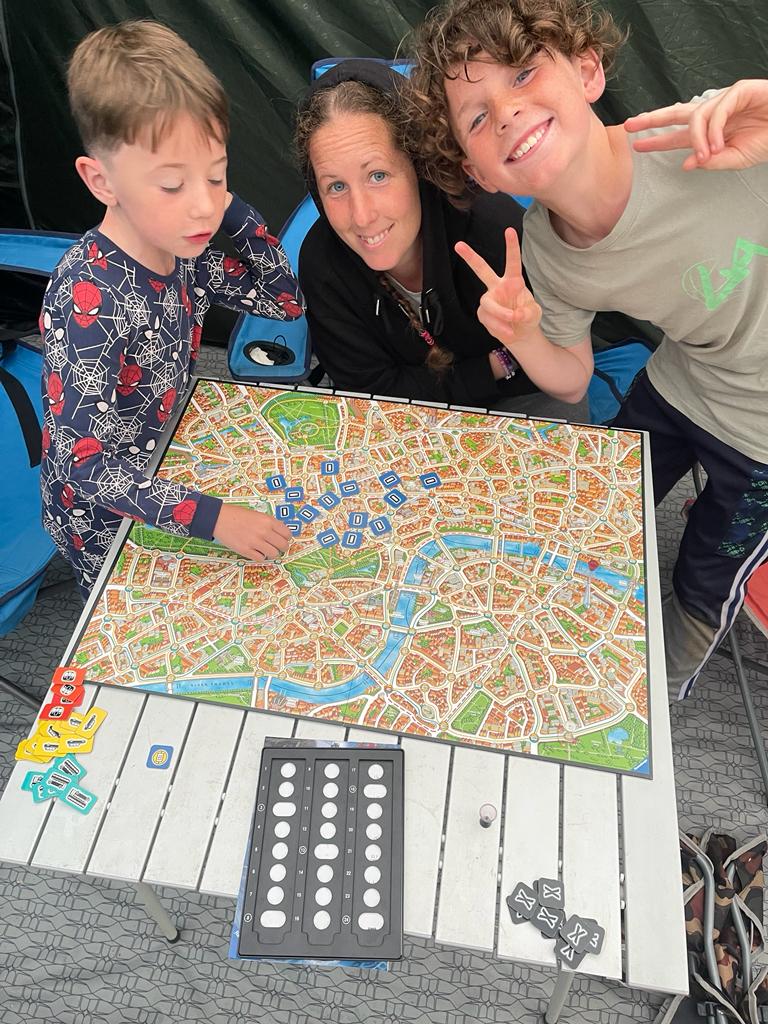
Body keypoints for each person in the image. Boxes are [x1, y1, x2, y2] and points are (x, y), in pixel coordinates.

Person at [407, 0, 768, 696]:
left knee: (702, 582)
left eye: (521, 74)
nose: (505, 111)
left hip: (761, 439)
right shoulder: (544, 249)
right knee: (597, 510)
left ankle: (652, 697)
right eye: (476, 116)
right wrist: (521, 337)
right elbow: (571, 379)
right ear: (478, 172)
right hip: (681, 381)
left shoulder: (703, 134)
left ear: (588, 69)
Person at [41, 21, 302, 598]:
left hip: (166, 465)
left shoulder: (184, 250)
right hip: (102, 526)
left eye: (216, 175)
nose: (203, 207)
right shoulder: (89, 296)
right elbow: (86, 466)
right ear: (100, 180)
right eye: (171, 185)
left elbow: (283, 301)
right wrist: (215, 519)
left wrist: (234, 211)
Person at [295, 59, 590, 418]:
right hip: (406, 416)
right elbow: (371, 395)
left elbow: (552, 373)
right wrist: (492, 366)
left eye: (378, 175)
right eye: (336, 186)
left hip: (519, 397)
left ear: (418, 168)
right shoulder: (323, 265)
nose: (362, 216)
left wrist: (510, 358)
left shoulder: (494, 233)